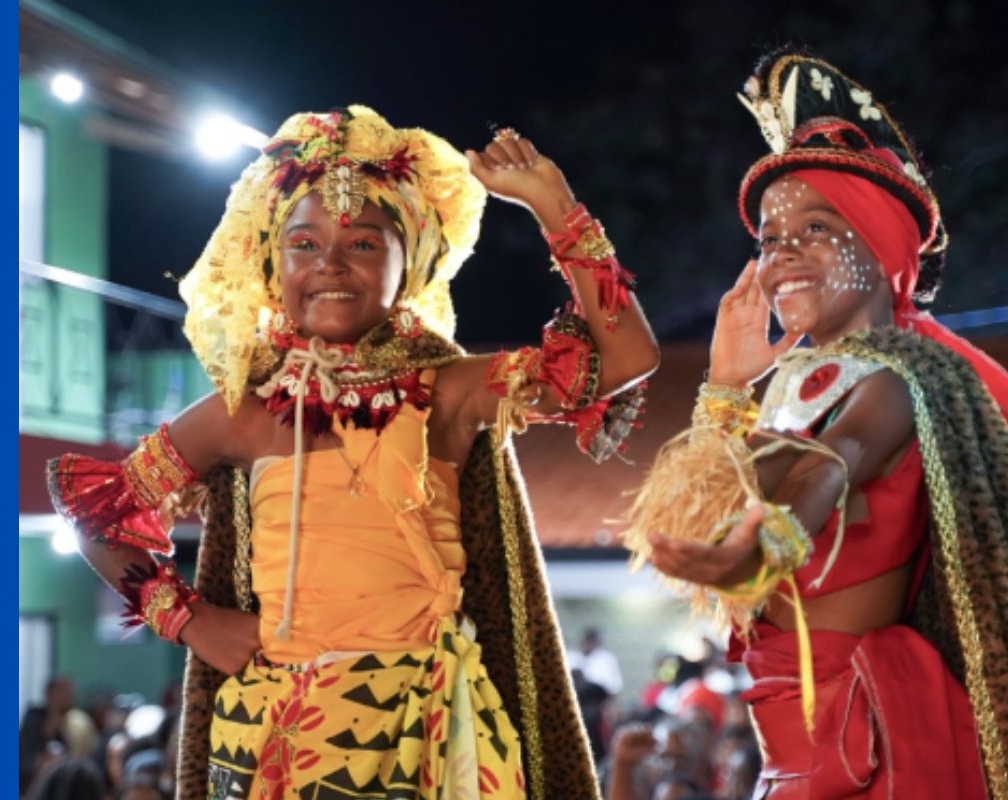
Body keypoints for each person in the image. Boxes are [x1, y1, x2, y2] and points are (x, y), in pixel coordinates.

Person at [49, 106, 659, 799]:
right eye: (304, 244)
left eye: (364, 244)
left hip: (430, 730)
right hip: (277, 732)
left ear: (414, 261)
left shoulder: (449, 392)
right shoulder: (239, 413)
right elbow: (94, 515)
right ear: (273, 266)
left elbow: (627, 356)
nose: (330, 265)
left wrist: (557, 210)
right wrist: (191, 620)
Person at [624, 50, 1008, 798]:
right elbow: (709, 497)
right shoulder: (793, 387)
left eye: (816, 227)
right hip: (790, 749)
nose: (783, 252)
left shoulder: (896, 379)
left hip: (860, 744)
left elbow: (833, 462)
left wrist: (763, 549)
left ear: (881, 246)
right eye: (769, 238)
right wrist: (727, 382)